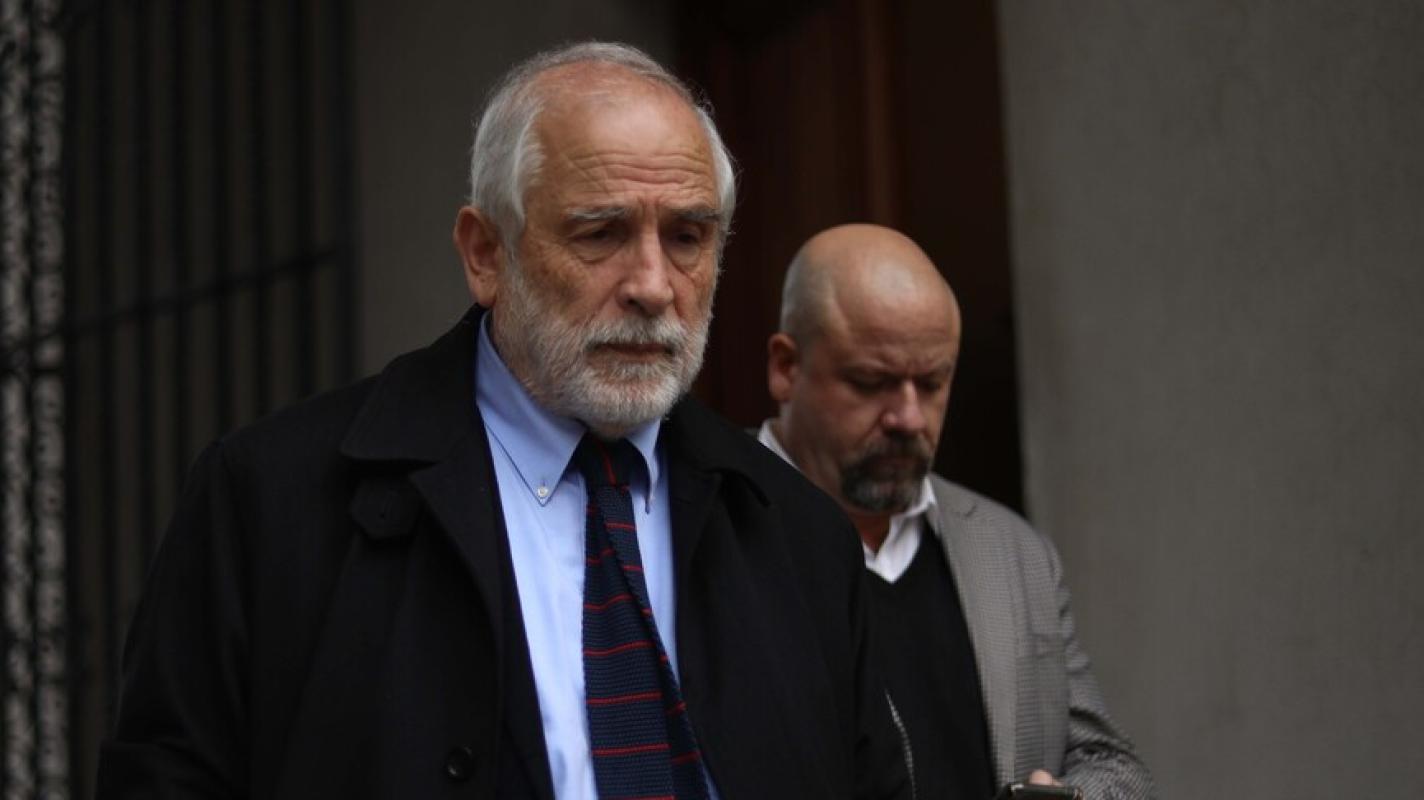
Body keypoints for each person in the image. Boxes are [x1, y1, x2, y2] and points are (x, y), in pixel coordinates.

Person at [97, 45, 907, 799]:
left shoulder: (799, 534)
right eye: (601, 233)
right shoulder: (271, 503)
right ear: (485, 253)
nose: (654, 285)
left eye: (688, 237)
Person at [761, 224, 1155, 800]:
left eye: (932, 383)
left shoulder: (1014, 552)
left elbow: (1111, 764)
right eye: (871, 382)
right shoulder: (698, 530)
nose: (908, 418)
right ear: (785, 368)